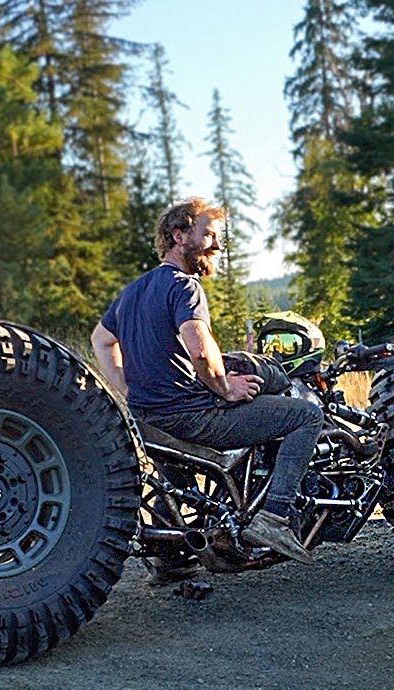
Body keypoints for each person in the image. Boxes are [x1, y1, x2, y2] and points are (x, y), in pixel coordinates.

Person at [91, 197, 322, 571]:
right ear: (179, 236)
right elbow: (200, 348)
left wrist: (127, 389)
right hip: (194, 415)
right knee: (306, 416)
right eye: (209, 235)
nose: (217, 244)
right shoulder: (184, 285)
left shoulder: (134, 291)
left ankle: (171, 560)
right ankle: (274, 518)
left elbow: (101, 340)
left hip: (149, 419)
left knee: (175, 482)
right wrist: (226, 389)